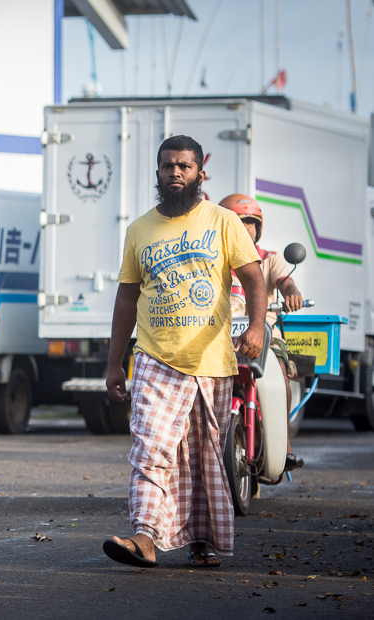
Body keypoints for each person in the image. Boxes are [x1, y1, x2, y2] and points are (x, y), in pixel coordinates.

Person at [103, 135, 267, 569]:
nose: (175, 172)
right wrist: (115, 362)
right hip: (155, 358)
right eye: (167, 166)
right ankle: (145, 537)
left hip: (211, 361)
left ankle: (202, 539)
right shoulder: (139, 229)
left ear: (199, 174)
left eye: (184, 166)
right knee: (150, 447)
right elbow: (125, 300)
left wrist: (254, 326)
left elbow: (253, 279)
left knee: (200, 455)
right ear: (157, 173)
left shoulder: (222, 221)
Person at [219, 193, 304, 471]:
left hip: (263, 332)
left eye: (250, 223)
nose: (244, 228)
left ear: (258, 228)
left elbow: (286, 283)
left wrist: (291, 294)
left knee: (279, 370)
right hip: (219, 335)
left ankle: (285, 443)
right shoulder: (212, 261)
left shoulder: (269, 259)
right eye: (236, 221)